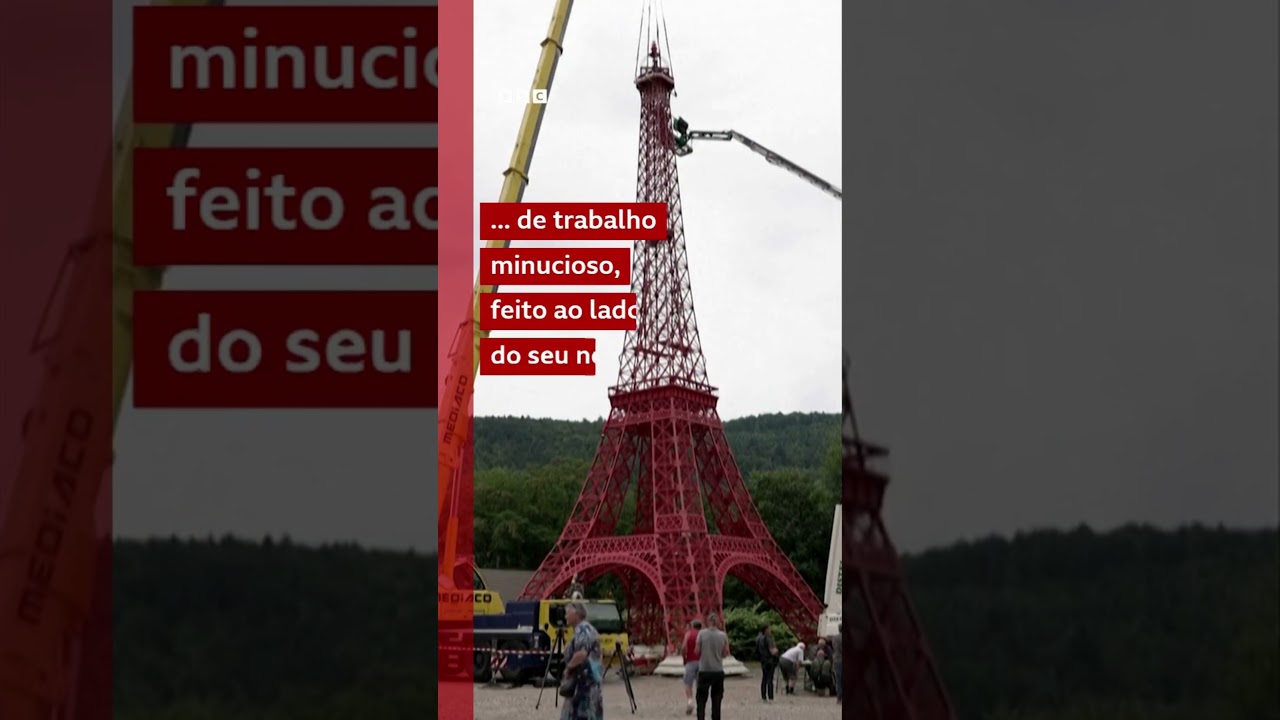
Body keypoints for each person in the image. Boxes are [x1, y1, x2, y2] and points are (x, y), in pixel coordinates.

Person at [560, 602, 604, 720]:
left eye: (567, 613)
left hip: (584, 684)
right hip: (588, 684)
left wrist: (568, 668)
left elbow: (581, 654)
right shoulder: (587, 628)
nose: (565, 617)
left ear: (576, 613)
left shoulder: (583, 629)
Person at [694, 612, 730, 720]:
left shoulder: (701, 634)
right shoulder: (723, 635)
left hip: (704, 670)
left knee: (701, 699)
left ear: (707, 622)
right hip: (718, 670)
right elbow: (725, 653)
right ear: (718, 622)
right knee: (716, 700)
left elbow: (697, 651)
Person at [680, 619, 702, 715]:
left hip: (690, 661)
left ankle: (689, 701)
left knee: (688, 683)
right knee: (700, 684)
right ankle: (700, 704)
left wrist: (684, 657)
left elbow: (684, 647)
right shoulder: (703, 634)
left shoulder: (688, 634)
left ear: (692, 626)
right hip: (702, 662)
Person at [755, 624, 779, 702]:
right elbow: (772, 651)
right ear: (766, 630)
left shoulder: (758, 639)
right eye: (769, 629)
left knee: (764, 678)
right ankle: (770, 696)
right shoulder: (768, 639)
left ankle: (763, 696)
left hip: (763, 660)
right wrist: (776, 650)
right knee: (770, 679)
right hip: (769, 660)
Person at [833, 624, 844, 704]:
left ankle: (839, 698)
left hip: (837, 659)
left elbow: (834, 647)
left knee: (838, 679)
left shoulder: (835, 637)